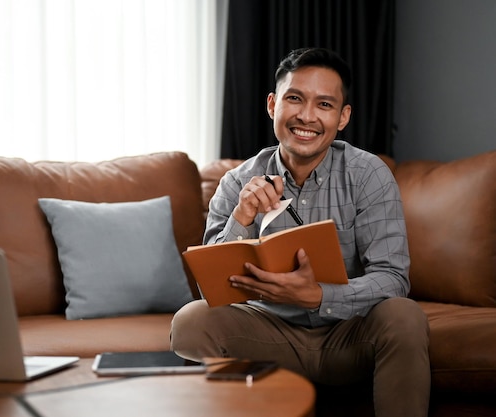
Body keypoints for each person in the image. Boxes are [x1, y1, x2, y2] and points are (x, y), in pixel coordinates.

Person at [170, 47, 430, 416]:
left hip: (349, 334)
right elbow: (210, 294)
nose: (307, 116)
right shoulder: (236, 184)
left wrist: (319, 296)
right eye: (295, 99)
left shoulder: (368, 174)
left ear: (343, 117)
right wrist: (243, 217)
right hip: (268, 336)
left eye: (324, 105)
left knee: (405, 315)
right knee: (190, 322)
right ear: (273, 105)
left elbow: (392, 278)